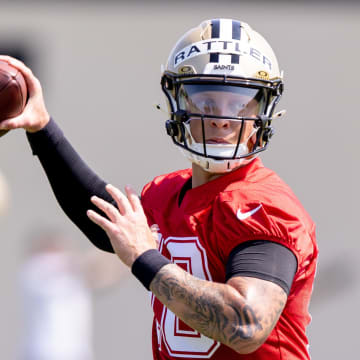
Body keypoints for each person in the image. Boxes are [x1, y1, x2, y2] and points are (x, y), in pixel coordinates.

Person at [0, 18, 318, 359]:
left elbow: (245, 324)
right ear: (178, 103)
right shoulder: (167, 193)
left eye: (240, 103)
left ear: (264, 111)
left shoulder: (264, 205)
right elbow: (104, 220)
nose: (223, 118)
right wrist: (42, 128)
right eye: (205, 100)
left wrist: (144, 258)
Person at [18, 229, 127, 360]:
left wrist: (132, 263)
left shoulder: (72, 275)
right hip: (44, 352)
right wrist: (120, 242)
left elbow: (102, 277)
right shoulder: (36, 268)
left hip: (75, 352)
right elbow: (86, 264)